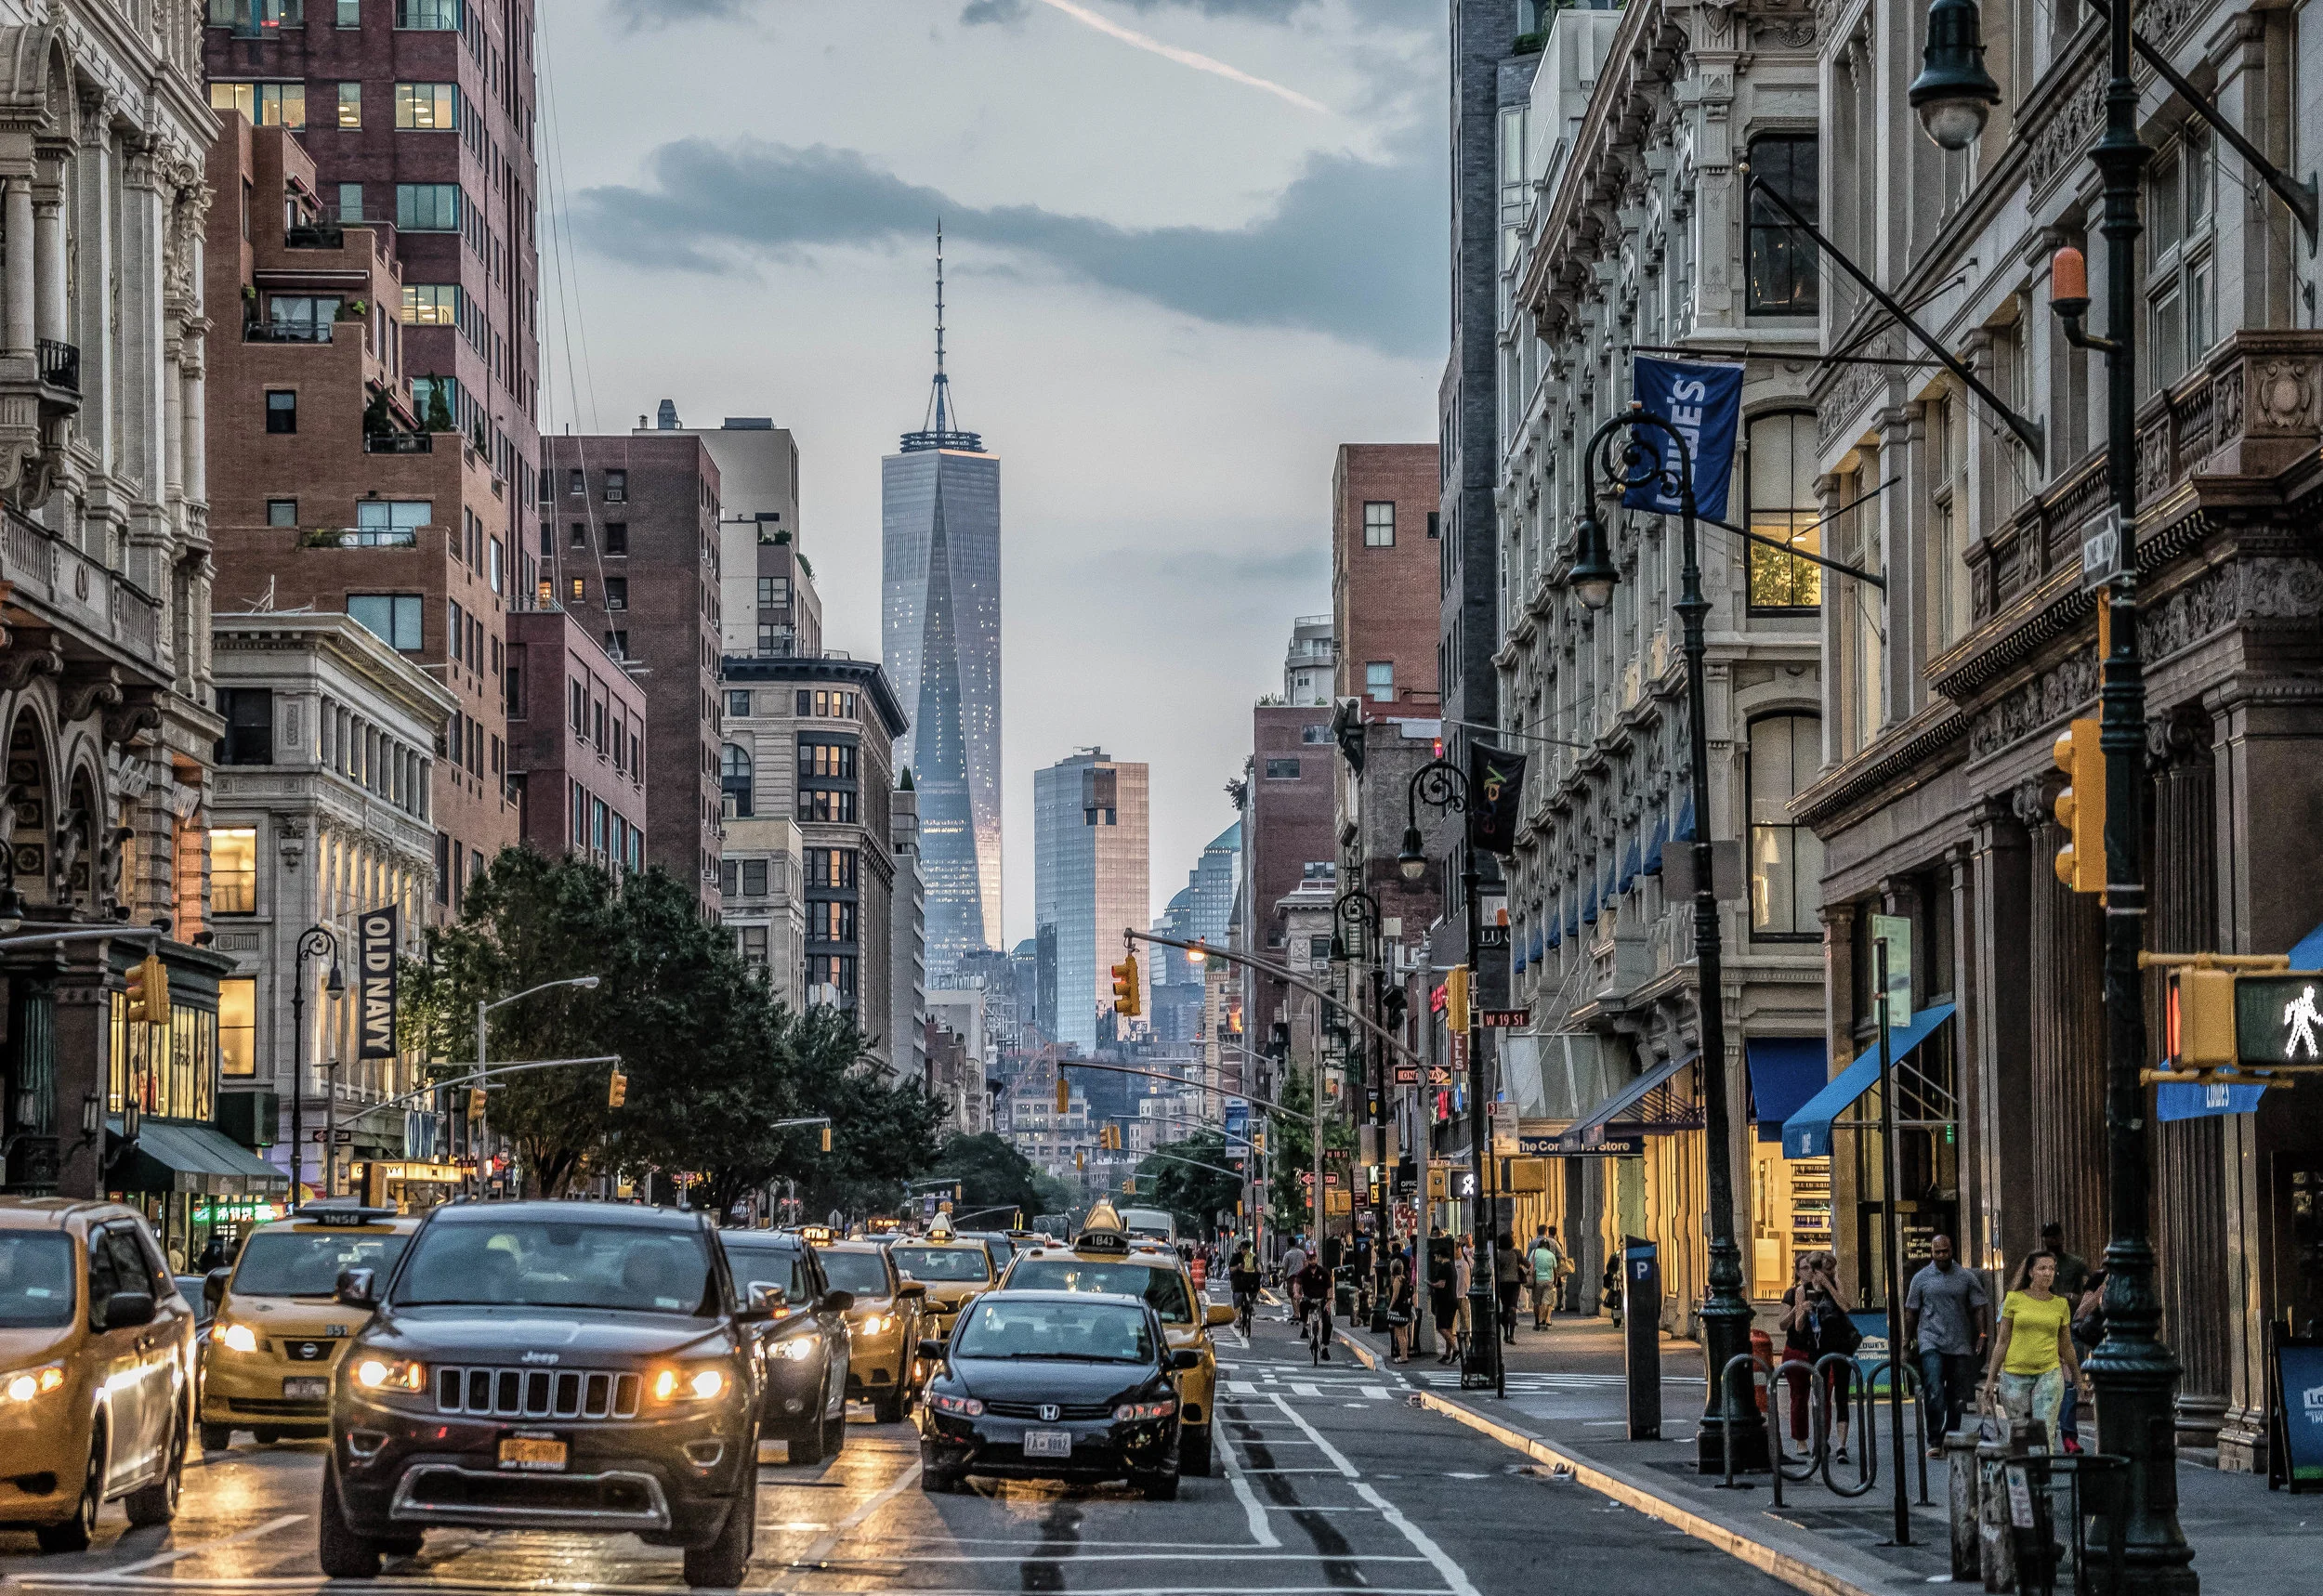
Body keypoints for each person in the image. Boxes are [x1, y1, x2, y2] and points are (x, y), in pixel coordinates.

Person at [1981, 1249, 2091, 1447]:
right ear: (2030, 1272)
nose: (2048, 1273)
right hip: (2015, 1374)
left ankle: (2043, 1476)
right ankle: (2022, 1477)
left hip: (2048, 1373)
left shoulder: (2060, 1304)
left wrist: (2078, 1378)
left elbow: (2066, 1345)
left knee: (2045, 1431)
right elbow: (2003, 1341)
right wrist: (1990, 1380)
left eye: (2051, 1268)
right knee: (2019, 1434)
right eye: (2042, 1268)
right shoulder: (2014, 1299)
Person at [1903, 1234, 1989, 1456]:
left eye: (1945, 1251)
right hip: (1930, 1339)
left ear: (1952, 1250)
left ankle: (1950, 1436)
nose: (1942, 1256)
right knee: (1934, 1388)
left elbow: (1979, 1306)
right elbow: (1911, 1311)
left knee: (1956, 1395)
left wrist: (1982, 1334)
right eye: (1937, 1252)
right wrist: (1906, 1340)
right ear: (1931, 1253)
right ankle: (1934, 1438)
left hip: (1959, 1343)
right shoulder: (1921, 1278)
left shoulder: (1966, 1277)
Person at [1779, 1252, 1855, 1461]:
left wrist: (1829, 1286)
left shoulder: (1835, 1283)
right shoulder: (1801, 1291)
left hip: (1840, 1344)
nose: (1828, 1273)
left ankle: (1841, 1446)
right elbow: (1798, 1326)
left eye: (1830, 1269)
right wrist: (1801, 1311)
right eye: (1824, 1269)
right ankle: (1818, 1442)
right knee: (1818, 1396)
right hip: (1818, 1347)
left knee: (1840, 1396)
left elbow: (1847, 1307)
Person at [2039, 1223, 2093, 1446]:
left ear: (2062, 1237)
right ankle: (2049, 1430)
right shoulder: (2038, 1265)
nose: (2052, 1242)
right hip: (2045, 1326)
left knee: (2070, 1383)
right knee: (2047, 1381)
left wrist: (2077, 1299)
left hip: (2070, 1325)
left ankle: (2069, 1434)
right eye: (2048, 1238)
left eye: (2055, 1237)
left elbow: (2089, 1290)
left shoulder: (2076, 1264)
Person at [1293, 1250, 1332, 1360]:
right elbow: (1297, 1283)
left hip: (1322, 1299)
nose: (1312, 1261)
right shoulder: (1303, 1272)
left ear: (1317, 1258)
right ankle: (1304, 1327)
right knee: (1303, 1305)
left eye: (1314, 1258)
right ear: (1307, 1260)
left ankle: (1325, 1347)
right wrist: (1297, 1293)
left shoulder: (1323, 1272)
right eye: (1310, 1259)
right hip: (1308, 1298)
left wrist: (1329, 1301)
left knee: (1327, 1321)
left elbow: (1329, 1287)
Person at [1428, 1231, 1459, 1364]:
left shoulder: (1443, 1268)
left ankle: (1455, 1348)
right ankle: (1447, 1354)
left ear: (1441, 1256)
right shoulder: (1452, 1267)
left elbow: (1441, 1284)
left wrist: (1429, 1283)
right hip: (1453, 1299)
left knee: (1441, 1327)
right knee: (1449, 1327)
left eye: (1437, 1256)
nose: (1435, 1259)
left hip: (1444, 1301)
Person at [1528, 1226, 1565, 1329]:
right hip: (1549, 1280)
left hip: (1537, 1280)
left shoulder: (1534, 1251)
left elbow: (1529, 1264)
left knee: (1536, 1302)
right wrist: (1555, 1280)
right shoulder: (1551, 1254)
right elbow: (1555, 1269)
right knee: (1546, 1301)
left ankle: (1537, 1322)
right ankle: (1545, 1320)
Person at [1493, 1231, 1524, 1339]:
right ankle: (1511, 1335)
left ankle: (1505, 1333)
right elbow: (1528, 1264)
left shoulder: (1498, 1254)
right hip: (1515, 1283)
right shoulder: (1517, 1252)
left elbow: (1496, 1270)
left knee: (1505, 1308)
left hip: (1502, 1283)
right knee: (1513, 1307)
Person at [1386, 1257, 1416, 1362]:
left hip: (1398, 1309)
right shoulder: (1404, 1279)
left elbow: (1394, 1296)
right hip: (1405, 1309)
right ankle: (1404, 1354)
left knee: (1399, 1333)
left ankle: (1403, 1357)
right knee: (1404, 1333)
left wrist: (1389, 1309)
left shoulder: (1396, 1280)